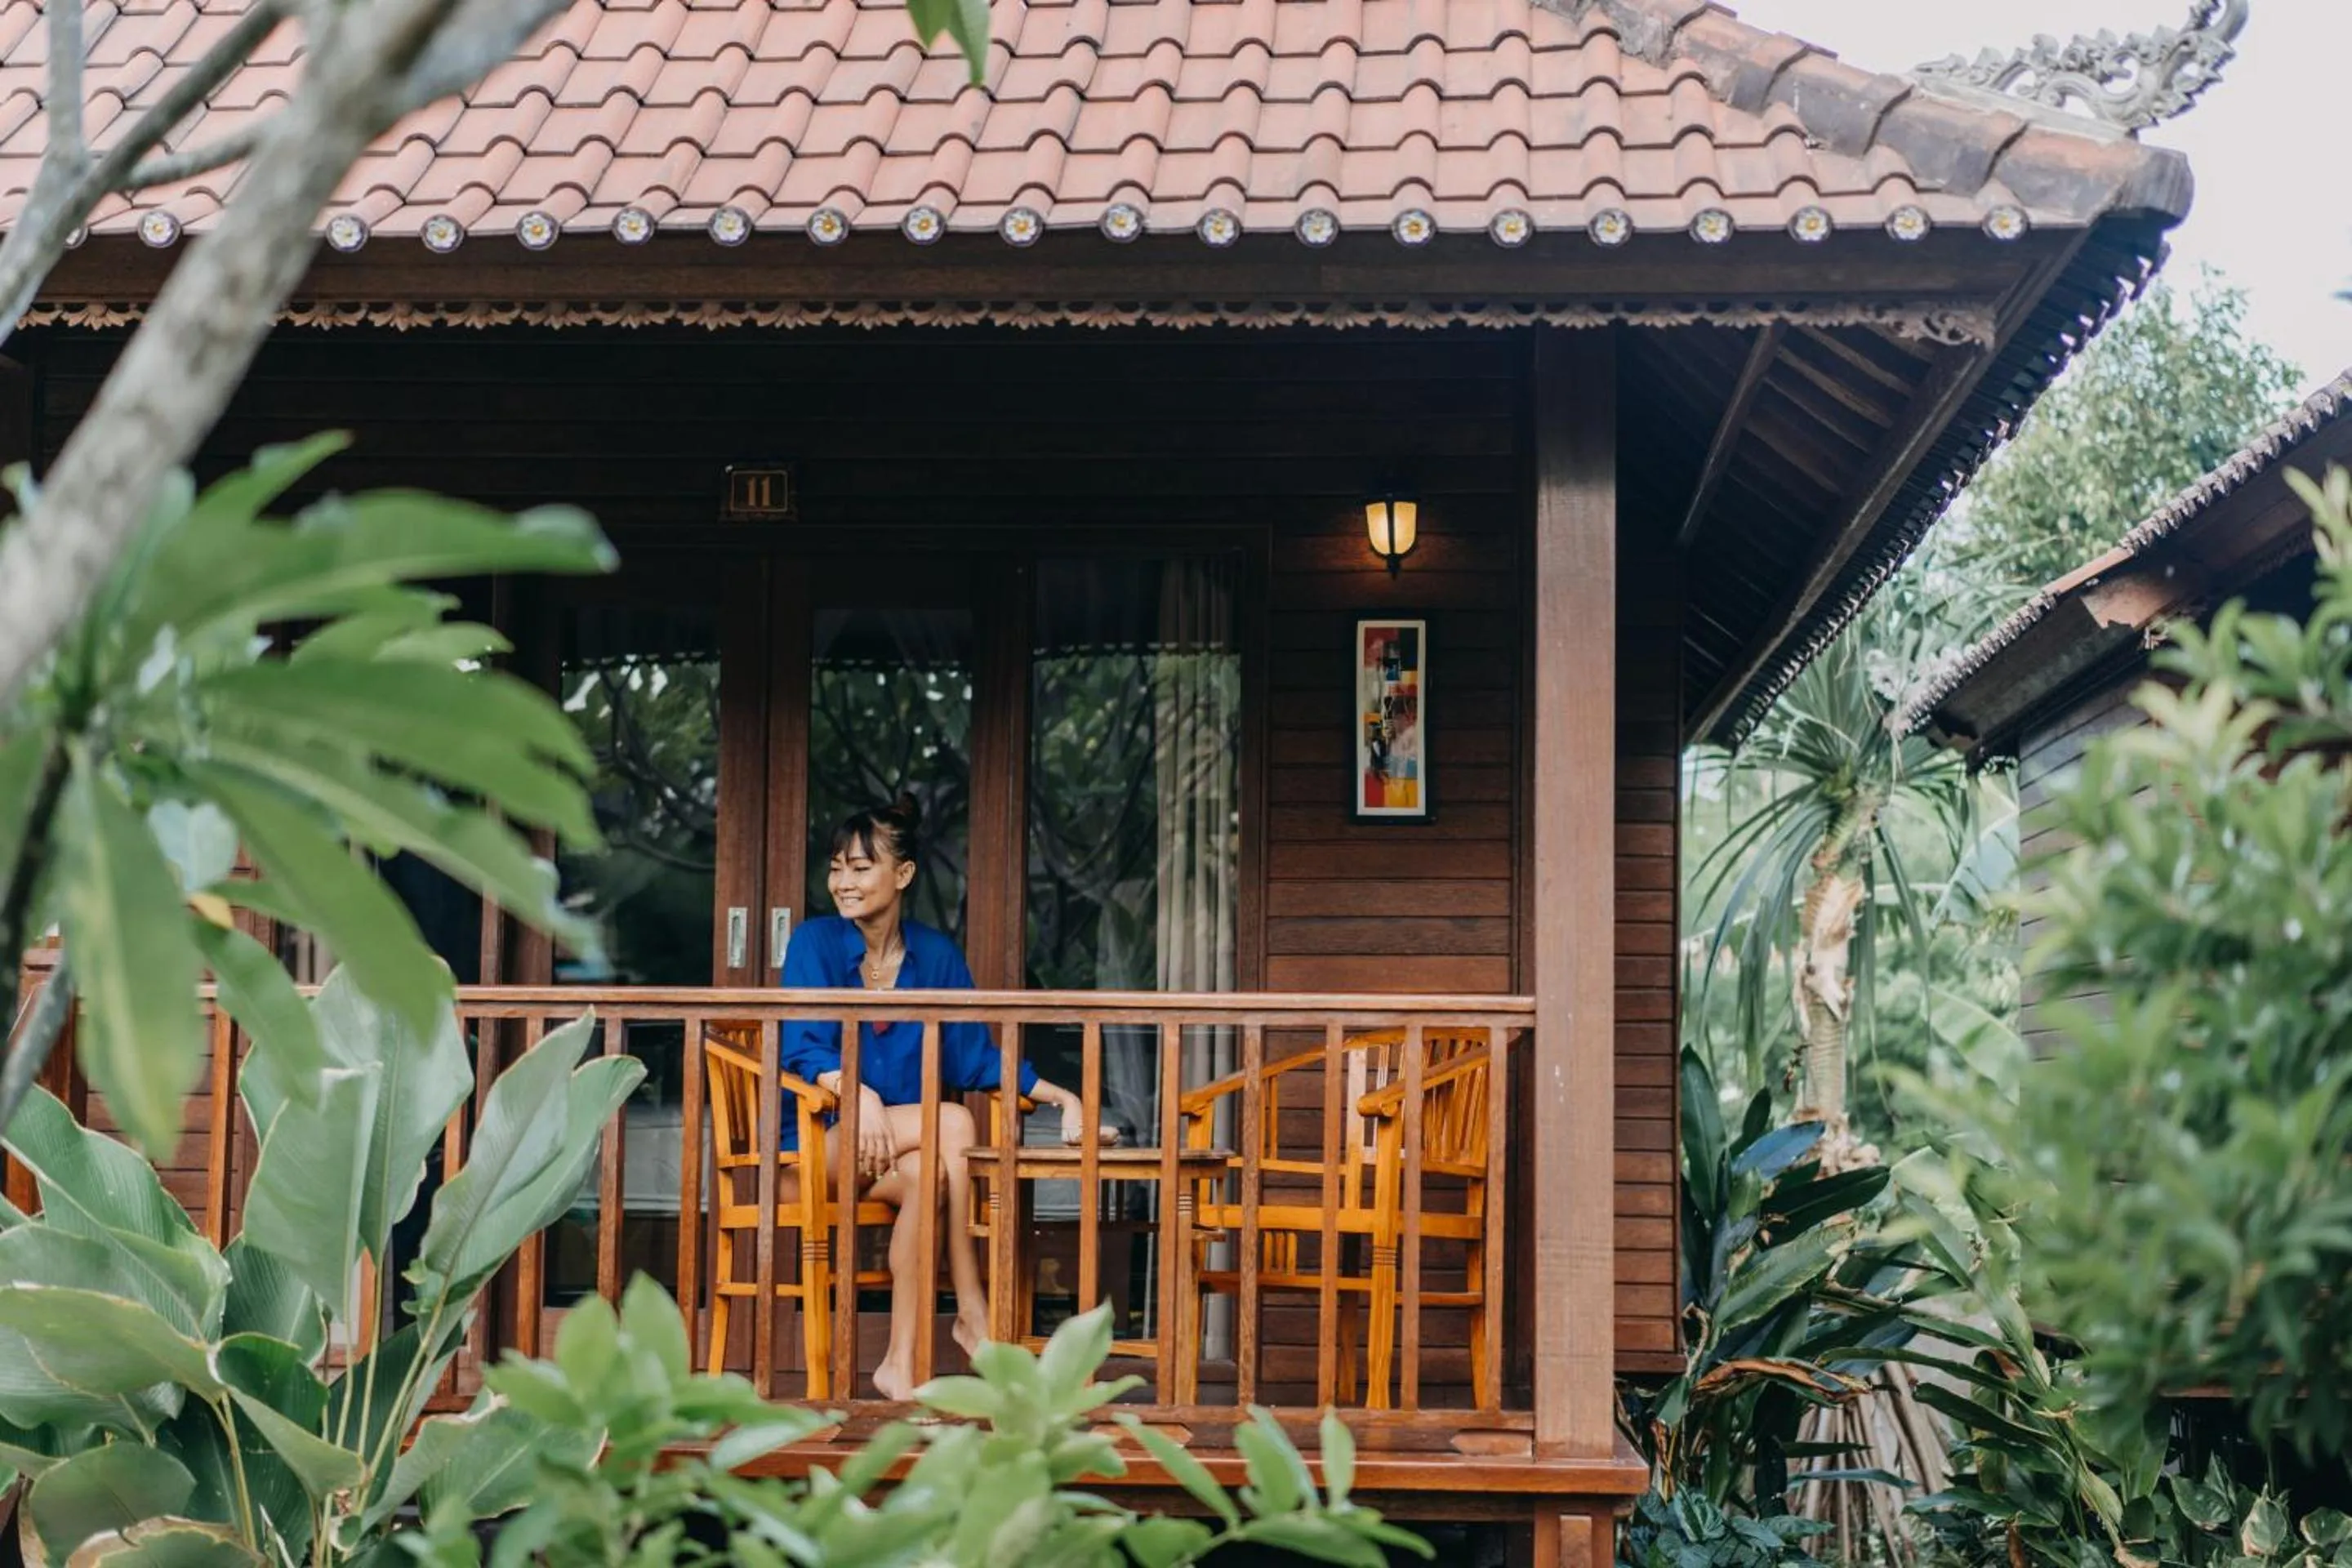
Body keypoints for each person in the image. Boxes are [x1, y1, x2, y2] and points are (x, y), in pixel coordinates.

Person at [778, 793, 1109, 1401]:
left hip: (892, 1157)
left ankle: (900, 1364)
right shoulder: (814, 943)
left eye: (860, 868)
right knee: (954, 1122)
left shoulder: (935, 955)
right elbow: (800, 1048)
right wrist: (862, 1097)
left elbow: (974, 1057)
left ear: (902, 875)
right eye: (836, 868)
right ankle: (972, 1310)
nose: (843, 883)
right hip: (815, 1150)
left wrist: (1066, 1098)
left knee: (932, 1170)